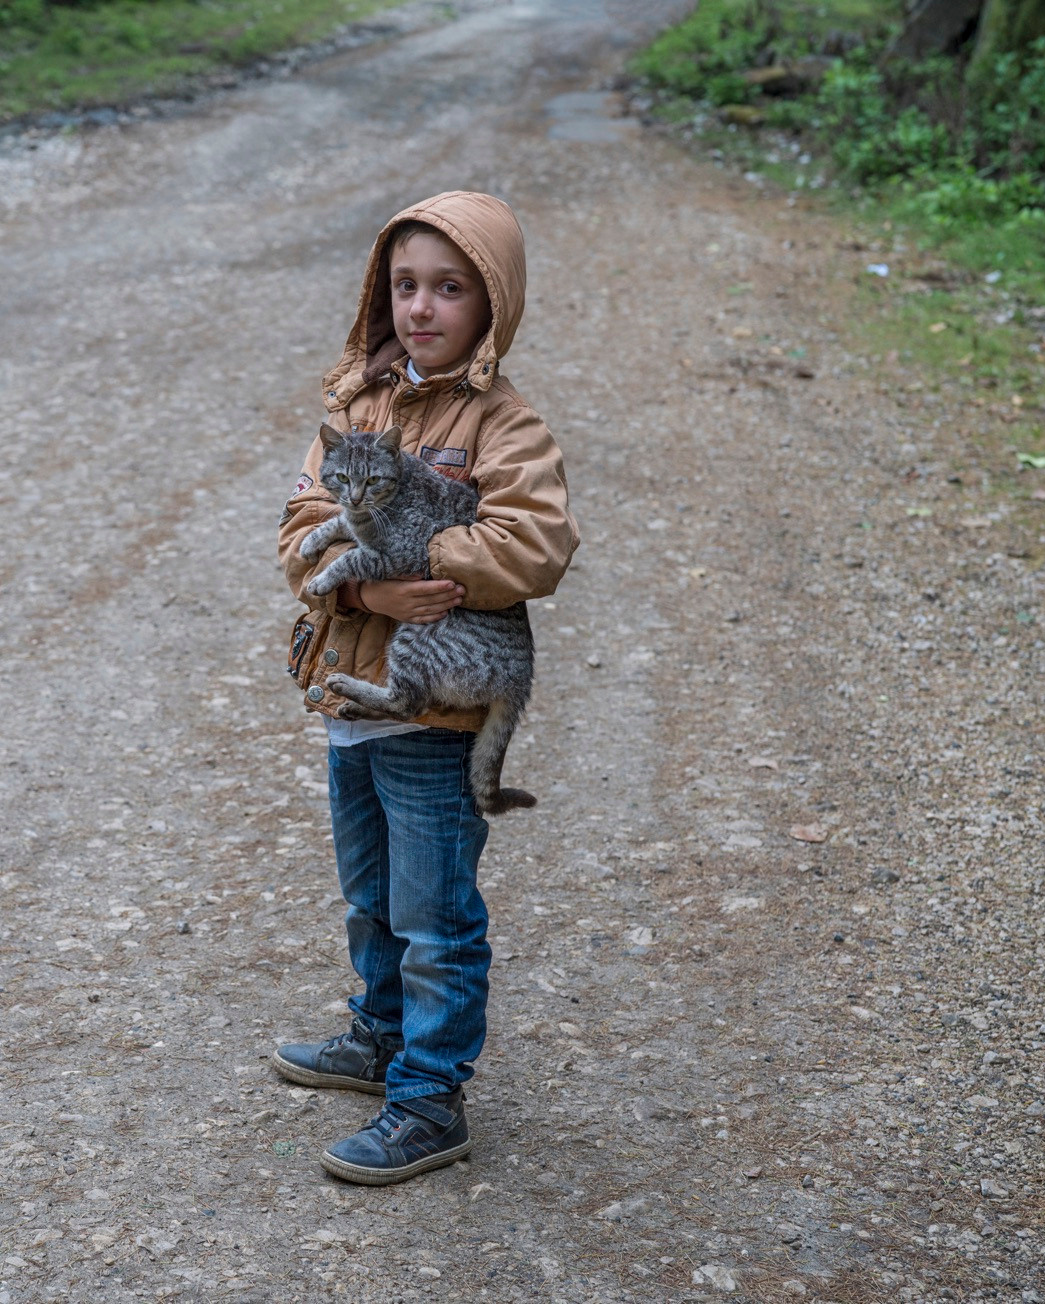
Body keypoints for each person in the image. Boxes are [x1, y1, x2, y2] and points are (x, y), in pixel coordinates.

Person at [274, 191, 579, 1185]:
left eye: (448, 288)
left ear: (489, 306)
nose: (420, 307)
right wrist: (368, 585)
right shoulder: (351, 407)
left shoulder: (504, 422)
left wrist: (423, 557)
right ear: (380, 293)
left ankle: (429, 1096)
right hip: (347, 698)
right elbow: (297, 529)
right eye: (404, 285)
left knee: (431, 908)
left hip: (435, 713)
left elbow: (531, 541)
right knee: (367, 894)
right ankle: (376, 1037)